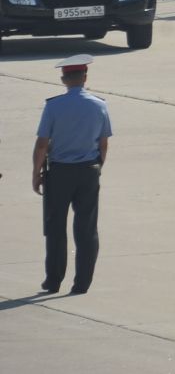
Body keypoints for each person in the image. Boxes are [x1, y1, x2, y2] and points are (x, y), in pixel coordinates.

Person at [34, 55, 111, 296]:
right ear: (85, 78)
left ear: (64, 80)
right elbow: (103, 143)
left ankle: (54, 280)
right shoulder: (99, 105)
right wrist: (97, 167)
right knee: (86, 228)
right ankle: (82, 284)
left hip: (59, 173)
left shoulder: (54, 106)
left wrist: (36, 174)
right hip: (89, 171)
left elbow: (42, 144)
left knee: (55, 227)